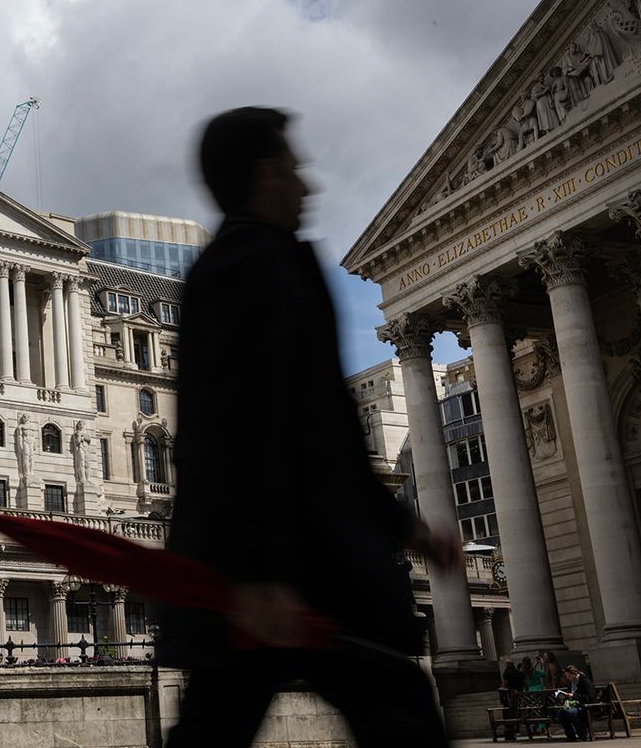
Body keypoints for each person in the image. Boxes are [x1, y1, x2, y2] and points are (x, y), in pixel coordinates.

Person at [159, 107, 458, 748]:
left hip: (271, 566)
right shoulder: (251, 270)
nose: (309, 186)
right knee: (399, 708)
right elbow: (236, 434)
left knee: (218, 722)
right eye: (296, 169)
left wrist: (401, 524)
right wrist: (261, 574)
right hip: (293, 567)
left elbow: (324, 430)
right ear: (266, 174)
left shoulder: (240, 268)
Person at [554, 665, 596, 742]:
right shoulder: (571, 684)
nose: (568, 678)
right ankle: (571, 736)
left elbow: (590, 698)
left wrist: (574, 696)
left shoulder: (585, 682)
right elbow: (570, 695)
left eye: (569, 676)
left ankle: (582, 735)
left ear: (574, 674)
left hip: (586, 707)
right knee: (560, 713)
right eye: (567, 676)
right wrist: (565, 697)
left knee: (570, 712)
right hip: (574, 705)